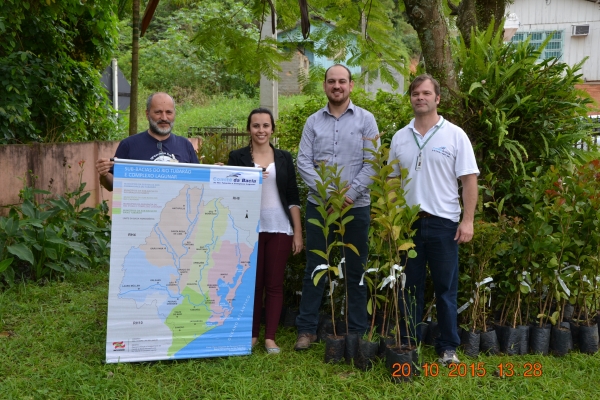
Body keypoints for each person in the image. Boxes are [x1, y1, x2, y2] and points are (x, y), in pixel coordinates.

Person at [387, 74, 479, 366]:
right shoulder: (400, 137)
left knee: (445, 289)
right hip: (410, 224)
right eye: (415, 93)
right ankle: (410, 342)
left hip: (444, 225)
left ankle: (448, 347)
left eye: (426, 93)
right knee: (409, 287)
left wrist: (468, 221)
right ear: (411, 99)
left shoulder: (455, 135)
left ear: (437, 98)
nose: (420, 97)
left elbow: (468, 181)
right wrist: (391, 222)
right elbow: (391, 181)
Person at [294, 64, 380, 351]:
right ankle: (306, 329)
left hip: (356, 207)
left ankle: (356, 329)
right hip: (320, 206)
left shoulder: (367, 121)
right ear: (325, 86)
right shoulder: (312, 122)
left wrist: (349, 195)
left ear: (351, 85)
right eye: (332, 81)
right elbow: (303, 162)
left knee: (355, 268)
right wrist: (329, 194)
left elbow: (372, 164)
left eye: (342, 81)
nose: (337, 86)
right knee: (316, 266)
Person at [227, 108, 303, 354]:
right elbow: (230, 191)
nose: (261, 130)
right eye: (256, 126)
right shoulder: (237, 157)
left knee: (274, 284)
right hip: (248, 230)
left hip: (280, 228)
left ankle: (270, 337)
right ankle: (252, 335)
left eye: (265, 126)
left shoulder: (283, 158)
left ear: (272, 129)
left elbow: (293, 196)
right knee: (252, 283)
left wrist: (298, 232)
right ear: (249, 129)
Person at [96, 92, 199, 191]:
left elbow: (199, 181)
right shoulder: (129, 145)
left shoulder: (185, 145)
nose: (164, 118)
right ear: (147, 114)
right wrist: (104, 174)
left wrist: (215, 173)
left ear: (174, 114)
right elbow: (112, 185)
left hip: (176, 208)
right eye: (158, 112)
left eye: (168, 112)